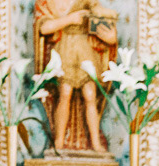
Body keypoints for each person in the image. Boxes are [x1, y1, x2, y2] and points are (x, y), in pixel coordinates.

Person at [34, 0, 117, 151]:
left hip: (85, 49)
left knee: (90, 94)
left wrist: (110, 33)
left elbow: (101, 14)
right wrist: (70, 19)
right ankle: (58, 141)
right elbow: (44, 28)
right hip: (65, 47)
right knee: (65, 93)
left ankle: (95, 142)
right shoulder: (49, 2)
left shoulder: (87, 1)